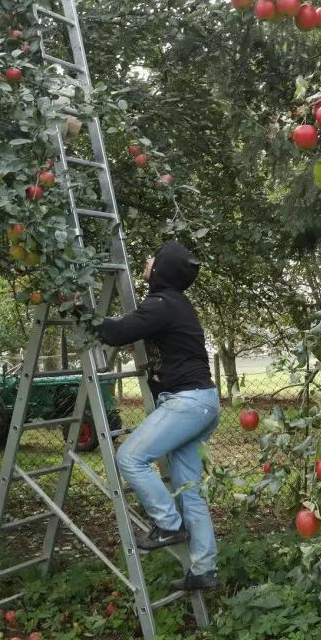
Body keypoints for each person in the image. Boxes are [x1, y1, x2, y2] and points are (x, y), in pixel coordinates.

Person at [97, 240, 221, 592]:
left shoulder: (163, 303)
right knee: (190, 493)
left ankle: (168, 524)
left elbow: (118, 331)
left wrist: (84, 312)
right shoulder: (175, 304)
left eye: (154, 257)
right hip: (204, 402)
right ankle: (204, 569)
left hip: (189, 403)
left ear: (163, 270)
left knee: (131, 457)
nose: (148, 260)